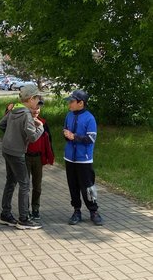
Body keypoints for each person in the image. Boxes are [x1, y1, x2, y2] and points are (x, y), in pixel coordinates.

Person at [0, 84, 45, 230]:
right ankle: (23, 219)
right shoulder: (26, 114)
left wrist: (12, 134)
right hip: (17, 153)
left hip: (7, 149)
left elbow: (1, 124)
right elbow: (32, 137)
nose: (38, 102)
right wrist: (40, 127)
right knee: (24, 184)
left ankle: (5, 214)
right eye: (37, 99)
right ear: (31, 99)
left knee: (11, 181)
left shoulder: (14, 109)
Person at [63, 90, 103, 226]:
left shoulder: (89, 118)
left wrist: (74, 136)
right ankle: (76, 211)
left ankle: (94, 211)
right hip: (69, 158)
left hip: (84, 159)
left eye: (72, 101)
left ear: (81, 103)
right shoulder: (68, 115)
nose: (69, 103)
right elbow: (65, 131)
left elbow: (91, 138)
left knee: (87, 186)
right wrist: (66, 134)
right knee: (72, 186)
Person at [26, 105, 54, 221]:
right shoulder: (24, 121)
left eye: (38, 109)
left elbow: (49, 140)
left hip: (38, 157)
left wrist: (49, 156)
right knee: (25, 186)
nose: (36, 111)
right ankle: (25, 210)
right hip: (25, 156)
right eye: (33, 108)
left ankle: (35, 209)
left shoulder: (43, 122)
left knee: (37, 186)